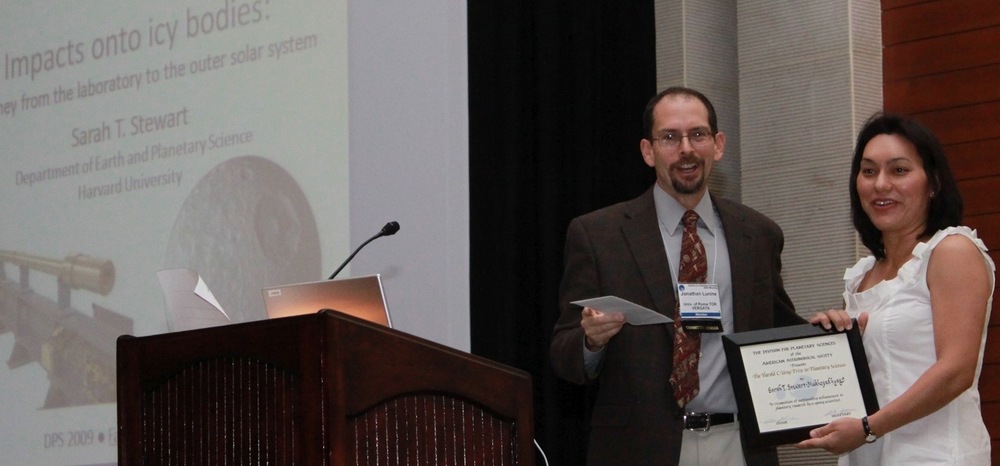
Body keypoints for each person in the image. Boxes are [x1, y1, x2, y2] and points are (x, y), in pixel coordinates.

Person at [549, 86, 804, 466]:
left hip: (739, 445)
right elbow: (564, 353)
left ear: (718, 144)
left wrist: (831, 333)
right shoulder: (599, 235)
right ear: (648, 151)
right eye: (670, 137)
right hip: (640, 450)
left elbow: (780, 331)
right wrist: (591, 341)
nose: (686, 149)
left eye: (697, 134)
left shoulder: (758, 234)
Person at [797, 113, 995, 464]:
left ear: (933, 183)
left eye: (899, 170)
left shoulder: (951, 251)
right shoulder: (861, 275)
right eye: (869, 171)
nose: (880, 184)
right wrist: (831, 344)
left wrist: (868, 428)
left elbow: (956, 371)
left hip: (936, 456)